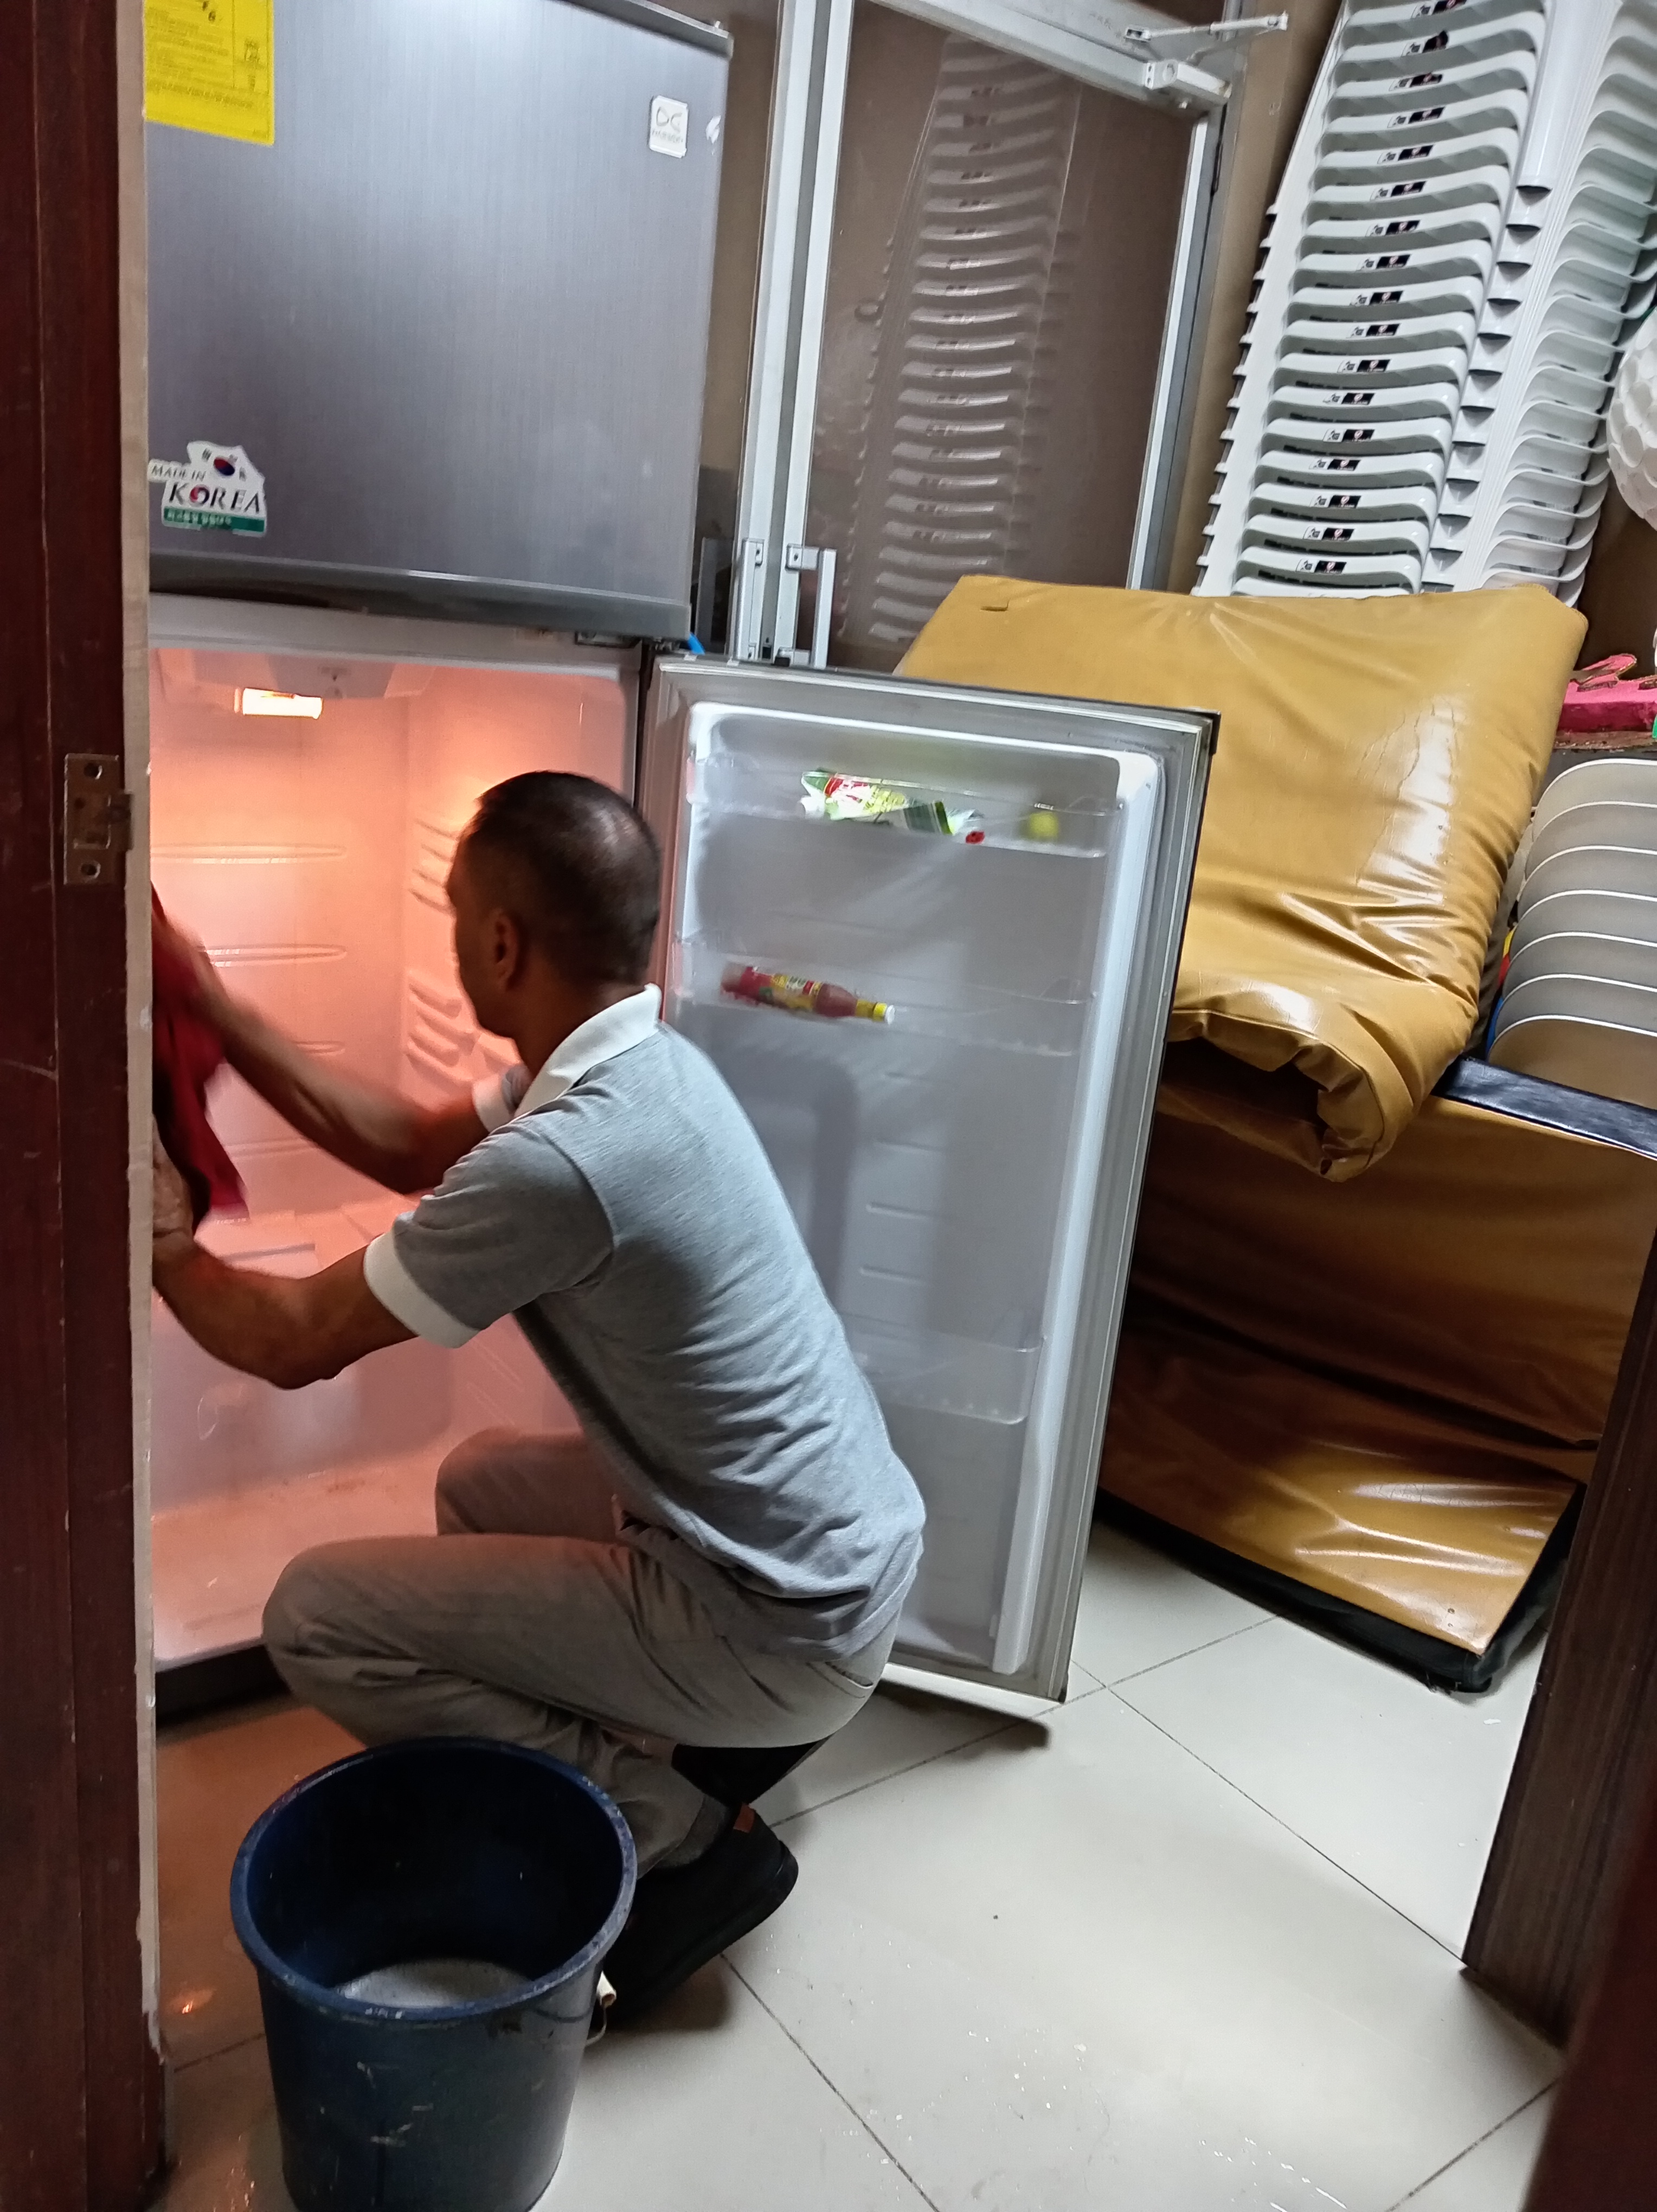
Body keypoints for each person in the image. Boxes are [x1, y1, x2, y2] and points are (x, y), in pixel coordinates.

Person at [151, 770, 925, 2025]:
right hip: (836, 1556)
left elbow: (292, 1342)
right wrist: (218, 1009)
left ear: (502, 944)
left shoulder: (568, 1160)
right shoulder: (637, 1068)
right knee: (477, 1482)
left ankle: (674, 1834)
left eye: (458, 913)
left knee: (318, 1618)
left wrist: (159, 1238)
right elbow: (404, 1145)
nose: (453, 935)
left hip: (781, 1625)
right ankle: (589, 1758)